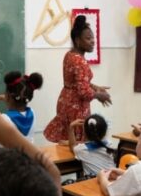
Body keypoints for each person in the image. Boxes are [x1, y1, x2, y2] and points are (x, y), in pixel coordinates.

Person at [44, 15, 111, 143]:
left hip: (65, 101)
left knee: (66, 141)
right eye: (88, 38)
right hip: (76, 106)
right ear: (77, 40)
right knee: (76, 145)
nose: (93, 41)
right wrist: (99, 95)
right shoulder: (80, 61)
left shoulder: (69, 55)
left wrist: (94, 86)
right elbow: (83, 92)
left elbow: (75, 82)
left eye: (93, 38)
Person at [0, 71, 43, 143]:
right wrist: (8, 97)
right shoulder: (32, 113)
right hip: (29, 154)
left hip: (9, 154)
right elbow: (20, 99)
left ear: (8, 96)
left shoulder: (4, 119)